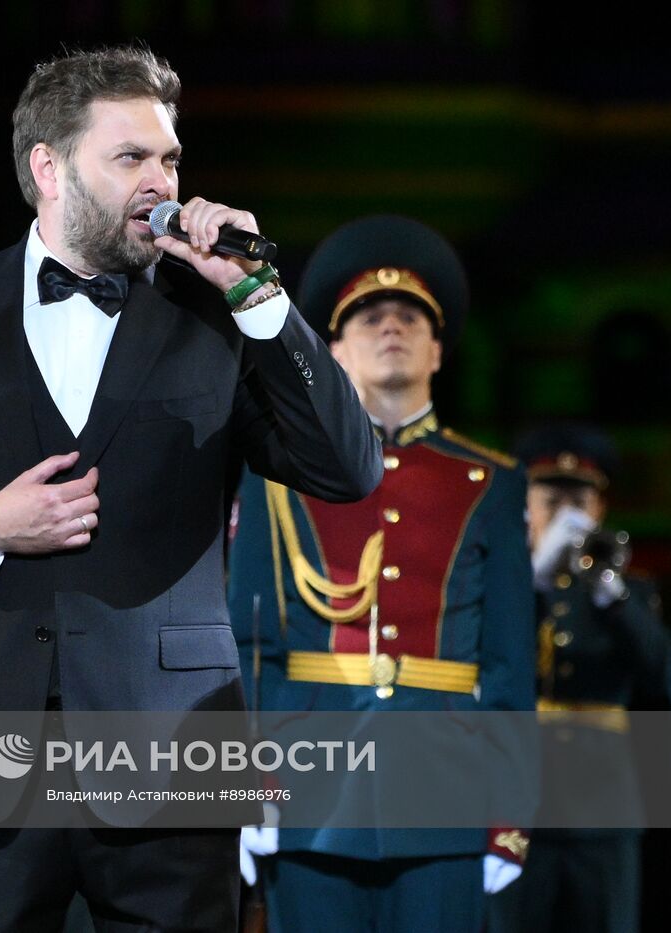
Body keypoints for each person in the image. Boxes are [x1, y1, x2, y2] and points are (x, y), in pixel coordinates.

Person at [0, 47, 380, 932]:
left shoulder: (214, 317)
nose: (163, 182)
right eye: (131, 158)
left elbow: (347, 469)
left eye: (170, 159)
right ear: (49, 167)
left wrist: (257, 296)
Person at [228, 215, 536, 932]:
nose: (390, 326)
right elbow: (252, 645)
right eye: (369, 316)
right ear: (333, 348)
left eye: (409, 316)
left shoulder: (492, 482)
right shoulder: (277, 477)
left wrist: (510, 813)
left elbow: (511, 668)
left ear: (439, 347)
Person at [487, 424, 670, 933]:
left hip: (604, 804)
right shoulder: (504, 585)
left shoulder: (629, 593)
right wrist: (533, 580)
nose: (566, 514)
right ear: (525, 508)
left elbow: (661, 673)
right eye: (551, 499)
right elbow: (492, 661)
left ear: (600, 509)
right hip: (520, 799)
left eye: (579, 500)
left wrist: (612, 596)